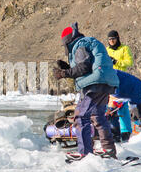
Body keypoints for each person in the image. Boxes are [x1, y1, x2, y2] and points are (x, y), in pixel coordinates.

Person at [53, 22, 119, 161]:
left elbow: (84, 67)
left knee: (80, 116)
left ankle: (85, 153)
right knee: (98, 117)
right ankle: (109, 149)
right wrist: (68, 68)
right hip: (106, 84)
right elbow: (89, 63)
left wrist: (64, 73)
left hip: (94, 85)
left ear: (68, 42)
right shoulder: (89, 42)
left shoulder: (79, 46)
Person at [106, 30, 134, 142]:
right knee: (110, 106)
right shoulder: (106, 50)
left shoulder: (124, 48)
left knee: (122, 106)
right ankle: (113, 130)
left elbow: (129, 62)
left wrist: (116, 62)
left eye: (113, 39)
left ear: (117, 38)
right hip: (110, 81)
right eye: (109, 39)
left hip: (122, 80)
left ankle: (126, 131)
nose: (111, 41)